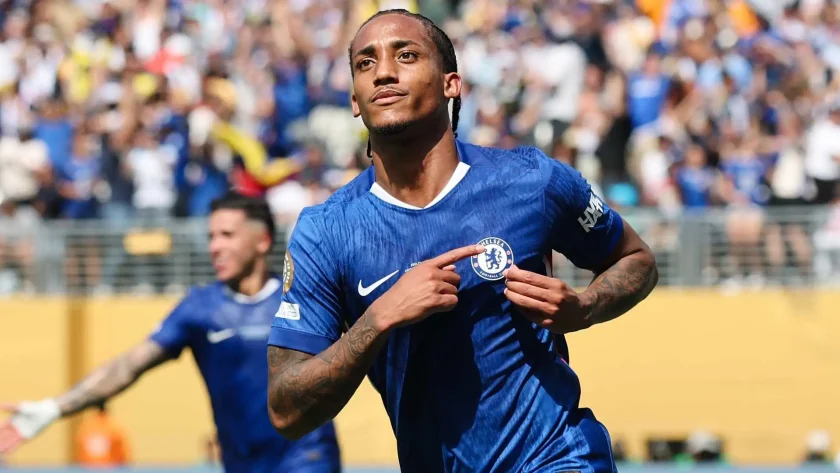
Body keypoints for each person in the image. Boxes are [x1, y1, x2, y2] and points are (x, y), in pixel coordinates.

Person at [266, 9, 658, 473]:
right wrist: (378, 318)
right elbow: (286, 410)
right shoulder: (326, 231)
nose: (384, 72)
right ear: (354, 98)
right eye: (365, 63)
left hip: (556, 457)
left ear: (451, 84)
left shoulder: (532, 180)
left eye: (406, 55)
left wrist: (585, 308)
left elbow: (636, 259)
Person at [0, 192, 342, 473]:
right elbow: (128, 365)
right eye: (211, 237)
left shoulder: (300, 298)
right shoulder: (199, 308)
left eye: (227, 235)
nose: (214, 247)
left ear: (263, 241)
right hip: (241, 464)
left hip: (309, 458)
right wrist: (54, 408)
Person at [74, 401, 130, 467]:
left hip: (88, 468)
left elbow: (79, 453)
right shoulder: (114, 428)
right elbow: (122, 456)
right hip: (109, 468)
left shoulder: (85, 427)